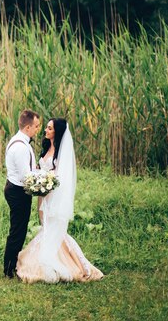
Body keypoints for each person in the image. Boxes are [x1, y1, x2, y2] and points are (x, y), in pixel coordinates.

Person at [16, 118, 104, 283]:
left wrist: (46, 181)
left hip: (53, 196)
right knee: (46, 227)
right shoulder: (46, 148)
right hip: (43, 195)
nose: (45, 131)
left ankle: (77, 265)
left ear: (57, 132)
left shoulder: (60, 154)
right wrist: (38, 181)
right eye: (46, 128)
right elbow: (40, 169)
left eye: (49, 128)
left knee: (55, 230)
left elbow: (60, 177)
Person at [3, 109, 41, 278]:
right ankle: (9, 269)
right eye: (36, 126)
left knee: (19, 229)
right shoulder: (20, 147)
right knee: (17, 231)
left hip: (17, 189)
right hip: (18, 192)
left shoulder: (22, 142)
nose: (37, 129)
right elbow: (26, 177)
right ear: (27, 127)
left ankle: (12, 265)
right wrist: (43, 183)